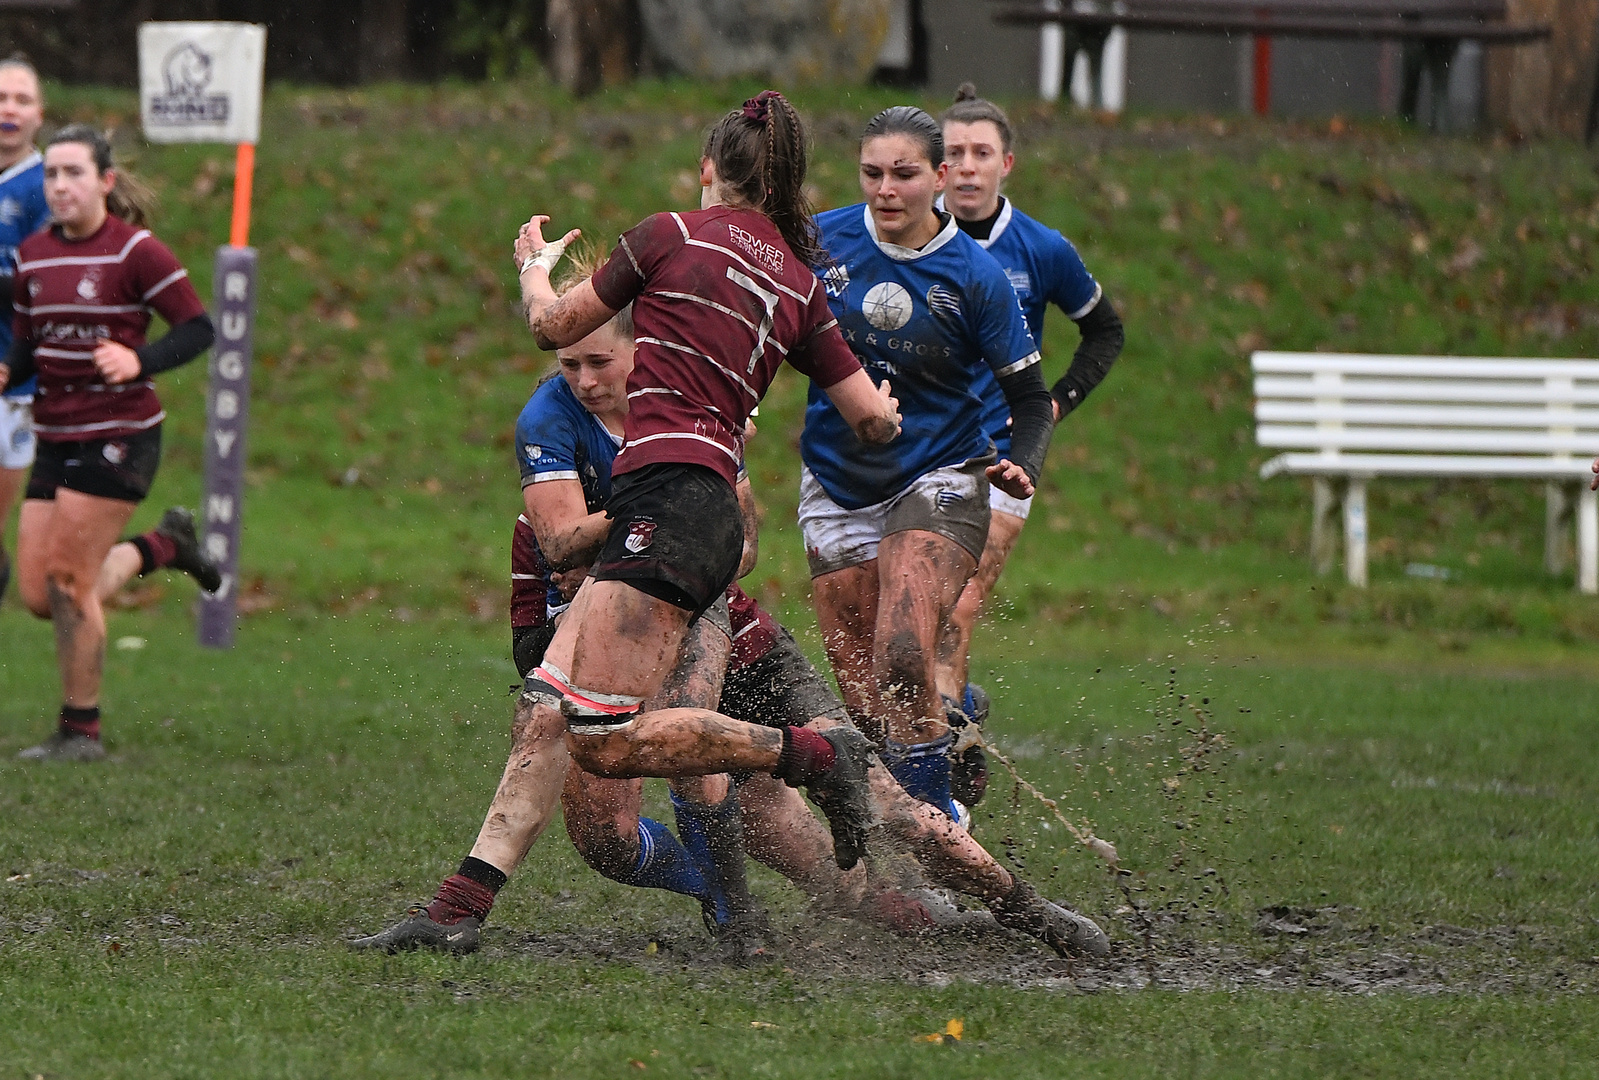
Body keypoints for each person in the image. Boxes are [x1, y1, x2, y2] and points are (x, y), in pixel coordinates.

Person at [355, 90, 901, 954]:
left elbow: (547, 326)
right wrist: (888, 410)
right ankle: (455, 912)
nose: (584, 375)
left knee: (607, 743)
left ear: (708, 172)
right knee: (548, 712)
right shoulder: (795, 281)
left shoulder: (670, 235)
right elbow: (871, 420)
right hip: (703, 513)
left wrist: (534, 265)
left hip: (668, 509)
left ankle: (814, 764)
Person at [800, 106, 1052, 831]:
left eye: (903, 174)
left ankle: (941, 827)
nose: (885, 189)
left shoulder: (974, 276)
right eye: (872, 173)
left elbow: (1028, 397)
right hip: (835, 478)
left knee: (905, 648)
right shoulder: (822, 240)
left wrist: (1022, 462)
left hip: (938, 473)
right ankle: (925, 820)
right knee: (866, 700)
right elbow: (771, 327)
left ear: (938, 179)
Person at [0, 125, 219, 762]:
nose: (60, 186)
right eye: (52, 175)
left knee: (70, 584)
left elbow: (199, 328)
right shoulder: (35, 254)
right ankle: (165, 544)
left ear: (105, 181)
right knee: (41, 594)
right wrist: (11, 370)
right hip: (56, 434)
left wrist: (138, 359)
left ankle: (80, 730)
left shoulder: (136, 252)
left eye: (73, 173)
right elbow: (28, 339)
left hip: (121, 433)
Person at [932, 83, 1125, 804]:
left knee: (958, 600)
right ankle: (959, 708)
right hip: (915, 452)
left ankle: (946, 770)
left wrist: (1056, 402)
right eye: (953, 153)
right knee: (900, 626)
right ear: (935, 165)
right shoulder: (909, 241)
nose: (968, 167)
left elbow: (1105, 329)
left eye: (981, 153)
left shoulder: (1041, 250)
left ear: (1006, 162)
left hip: (1002, 455)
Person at [0, 56, 50, 602]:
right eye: (0, 97)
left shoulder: (45, 185)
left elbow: (37, 289)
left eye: (20, 99)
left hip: (11, 380)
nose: (8, 110)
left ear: (39, 114)